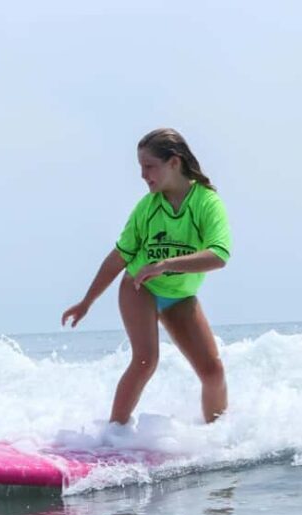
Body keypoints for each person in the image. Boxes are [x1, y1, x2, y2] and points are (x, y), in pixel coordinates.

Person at [61, 128, 232, 425]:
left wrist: (166, 264)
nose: (143, 175)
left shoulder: (206, 203)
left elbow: (218, 256)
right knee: (145, 361)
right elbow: (119, 257)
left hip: (180, 295)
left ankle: (216, 436)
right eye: (140, 167)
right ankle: (114, 434)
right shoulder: (147, 207)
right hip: (140, 288)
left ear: (174, 163)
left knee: (213, 372)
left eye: (149, 166)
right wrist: (87, 301)